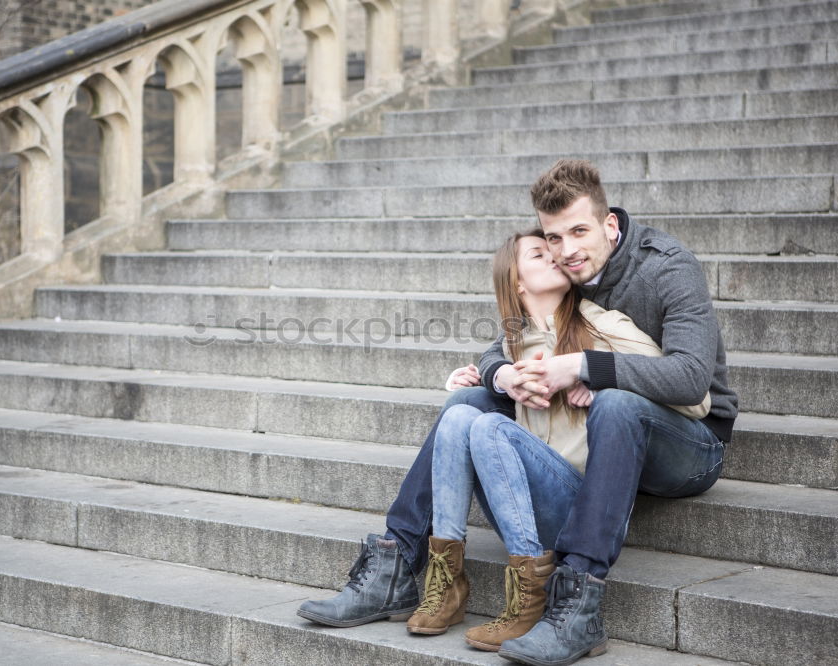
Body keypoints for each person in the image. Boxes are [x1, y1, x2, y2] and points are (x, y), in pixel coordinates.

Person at [298, 160, 737, 666]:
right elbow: (511, 337)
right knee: (469, 403)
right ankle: (395, 566)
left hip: (688, 439)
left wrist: (584, 368)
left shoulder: (667, 267)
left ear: (609, 224)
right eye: (553, 238)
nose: (568, 251)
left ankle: (578, 604)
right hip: (602, 441)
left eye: (579, 231)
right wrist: (497, 375)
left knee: (616, 402)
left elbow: (690, 379)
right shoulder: (564, 276)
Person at [401, 230, 709, 653]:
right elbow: (492, 366)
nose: (555, 256)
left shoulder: (603, 324)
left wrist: (605, 384)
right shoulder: (511, 347)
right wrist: (481, 377)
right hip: (525, 506)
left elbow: (696, 400)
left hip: (584, 507)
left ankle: (529, 596)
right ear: (517, 282)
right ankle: (447, 582)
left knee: (488, 427)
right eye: (538, 252)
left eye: (554, 251)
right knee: (459, 414)